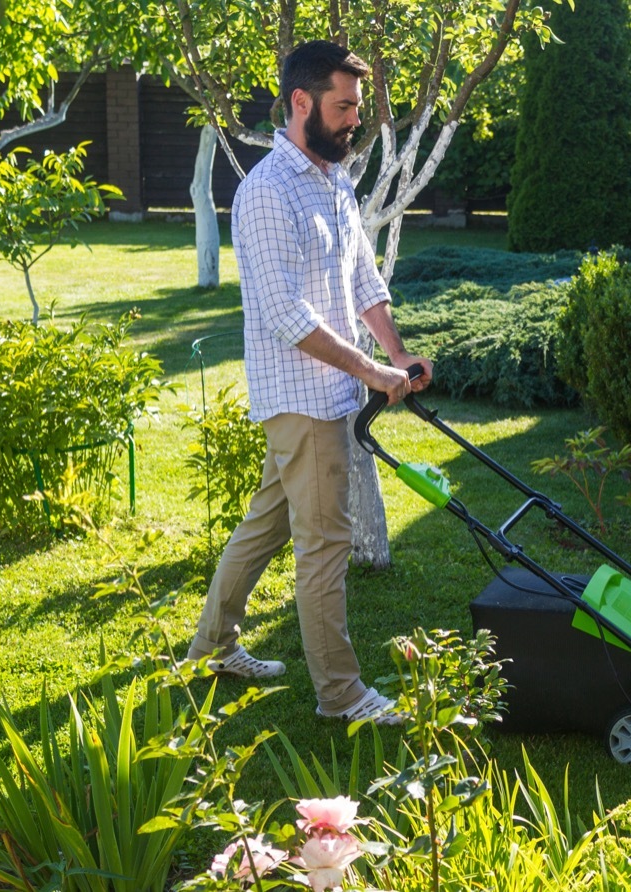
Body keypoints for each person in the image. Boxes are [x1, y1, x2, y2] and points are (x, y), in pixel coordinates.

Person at [186, 40, 432, 725]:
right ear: (302, 104)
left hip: (329, 391)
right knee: (324, 546)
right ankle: (342, 695)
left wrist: (399, 355)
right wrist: (369, 370)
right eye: (344, 106)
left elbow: (360, 278)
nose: (356, 119)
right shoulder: (267, 192)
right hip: (300, 395)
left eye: (357, 105)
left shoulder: (333, 178)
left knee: (265, 526)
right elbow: (286, 315)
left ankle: (212, 648)